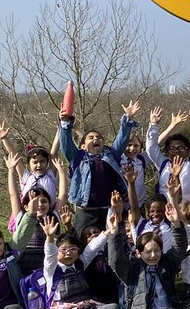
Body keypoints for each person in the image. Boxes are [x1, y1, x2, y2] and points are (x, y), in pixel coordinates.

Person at [29, 217, 130, 309]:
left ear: (78, 251)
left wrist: (108, 231)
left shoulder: (79, 264)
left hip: (86, 307)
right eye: (63, 250)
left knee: (113, 308)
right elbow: (49, 254)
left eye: (73, 249)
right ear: (57, 252)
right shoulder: (52, 269)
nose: (68, 253)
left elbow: (92, 249)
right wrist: (49, 238)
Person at [59, 100, 141, 233]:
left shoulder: (111, 156)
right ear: (84, 145)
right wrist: (65, 124)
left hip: (108, 210)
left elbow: (122, 138)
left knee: (110, 243)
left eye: (99, 137)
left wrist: (127, 119)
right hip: (85, 212)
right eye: (90, 137)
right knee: (83, 244)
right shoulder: (78, 158)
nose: (95, 139)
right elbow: (66, 143)